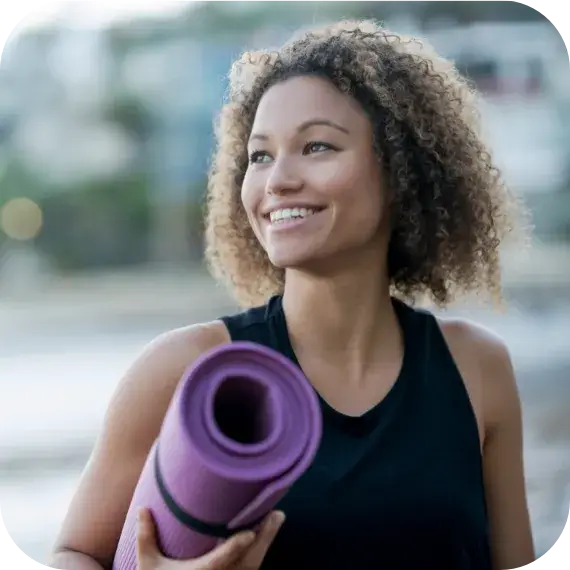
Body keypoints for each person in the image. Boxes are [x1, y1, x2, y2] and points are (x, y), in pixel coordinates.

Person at [50, 19, 536, 570]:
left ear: (403, 172)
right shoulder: (188, 370)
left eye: (317, 146)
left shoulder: (478, 369)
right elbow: (73, 554)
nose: (277, 179)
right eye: (260, 155)